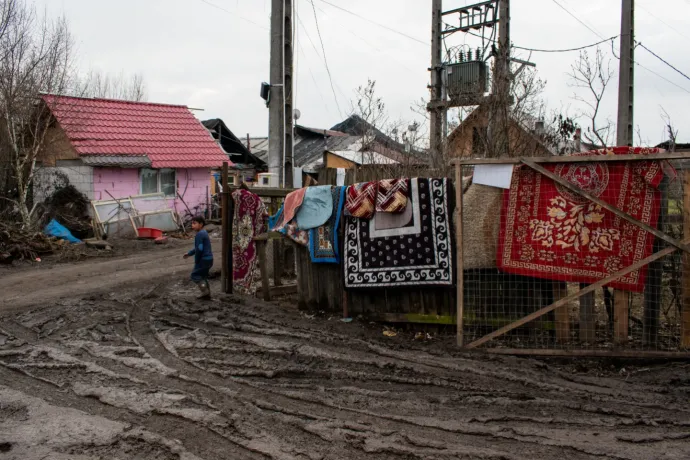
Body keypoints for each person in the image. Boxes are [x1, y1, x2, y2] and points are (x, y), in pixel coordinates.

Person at [183, 216, 213, 299]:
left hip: (203, 259)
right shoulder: (204, 232)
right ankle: (207, 294)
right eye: (192, 223)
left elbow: (199, 249)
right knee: (202, 276)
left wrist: (197, 260)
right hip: (209, 259)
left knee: (195, 275)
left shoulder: (199, 234)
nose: (192, 225)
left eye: (194, 223)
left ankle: (205, 291)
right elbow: (198, 247)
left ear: (201, 224)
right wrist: (189, 253)